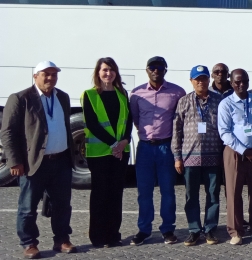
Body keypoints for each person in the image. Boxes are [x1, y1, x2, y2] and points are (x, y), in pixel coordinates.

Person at [1, 61, 77, 258]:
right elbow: (8, 132)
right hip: (33, 162)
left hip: (60, 161)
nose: (50, 78)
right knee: (28, 207)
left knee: (62, 204)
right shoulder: (20, 98)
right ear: (35, 76)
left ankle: (61, 239)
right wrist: (14, 161)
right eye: (46, 74)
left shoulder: (63, 97)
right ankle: (29, 243)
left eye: (54, 74)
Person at [130, 56, 186, 245]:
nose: (156, 70)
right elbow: (136, 119)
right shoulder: (137, 94)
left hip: (166, 147)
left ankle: (168, 229)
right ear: (146, 70)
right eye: (152, 67)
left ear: (165, 70)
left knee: (167, 191)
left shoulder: (177, 92)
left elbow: (180, 121)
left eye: (160, 67)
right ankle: (144, 229)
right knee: (144, 192)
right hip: (145, 148)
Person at [81, 58, 132, 249]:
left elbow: (128, 121)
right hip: (99, 154)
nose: (108, 73)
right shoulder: (89, 95)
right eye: (104, 70)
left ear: (116, 73)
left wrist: (124, 142)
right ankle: (98, 236)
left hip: (120, 153)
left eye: (111, 70)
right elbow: (93, 124)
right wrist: (114, 144)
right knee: (100, 195)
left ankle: (113, 235)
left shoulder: (122, 94)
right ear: (98, 73)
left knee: (115, 194)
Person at [173, 65, 224, 245]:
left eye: (203, 78)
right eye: (197, 79)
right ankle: (194, 230)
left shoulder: (219, 100)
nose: (201, 82)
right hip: (190, 157)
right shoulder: (184, 101)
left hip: (213, 156)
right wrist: (177, 156)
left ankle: (210, 230)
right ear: (191, 81)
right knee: (191, 195)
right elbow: (176, 130)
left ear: (209, 80)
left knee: (213, 194)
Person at [218, 69, 252, 245]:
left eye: (244, 81)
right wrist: (243, 150)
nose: (241, 85)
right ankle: (235, 231)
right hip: (234, 153)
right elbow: (224, 132)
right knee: (233, 192)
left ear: (248, 81)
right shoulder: (226, 104)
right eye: (237, 82)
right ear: (231, 83)